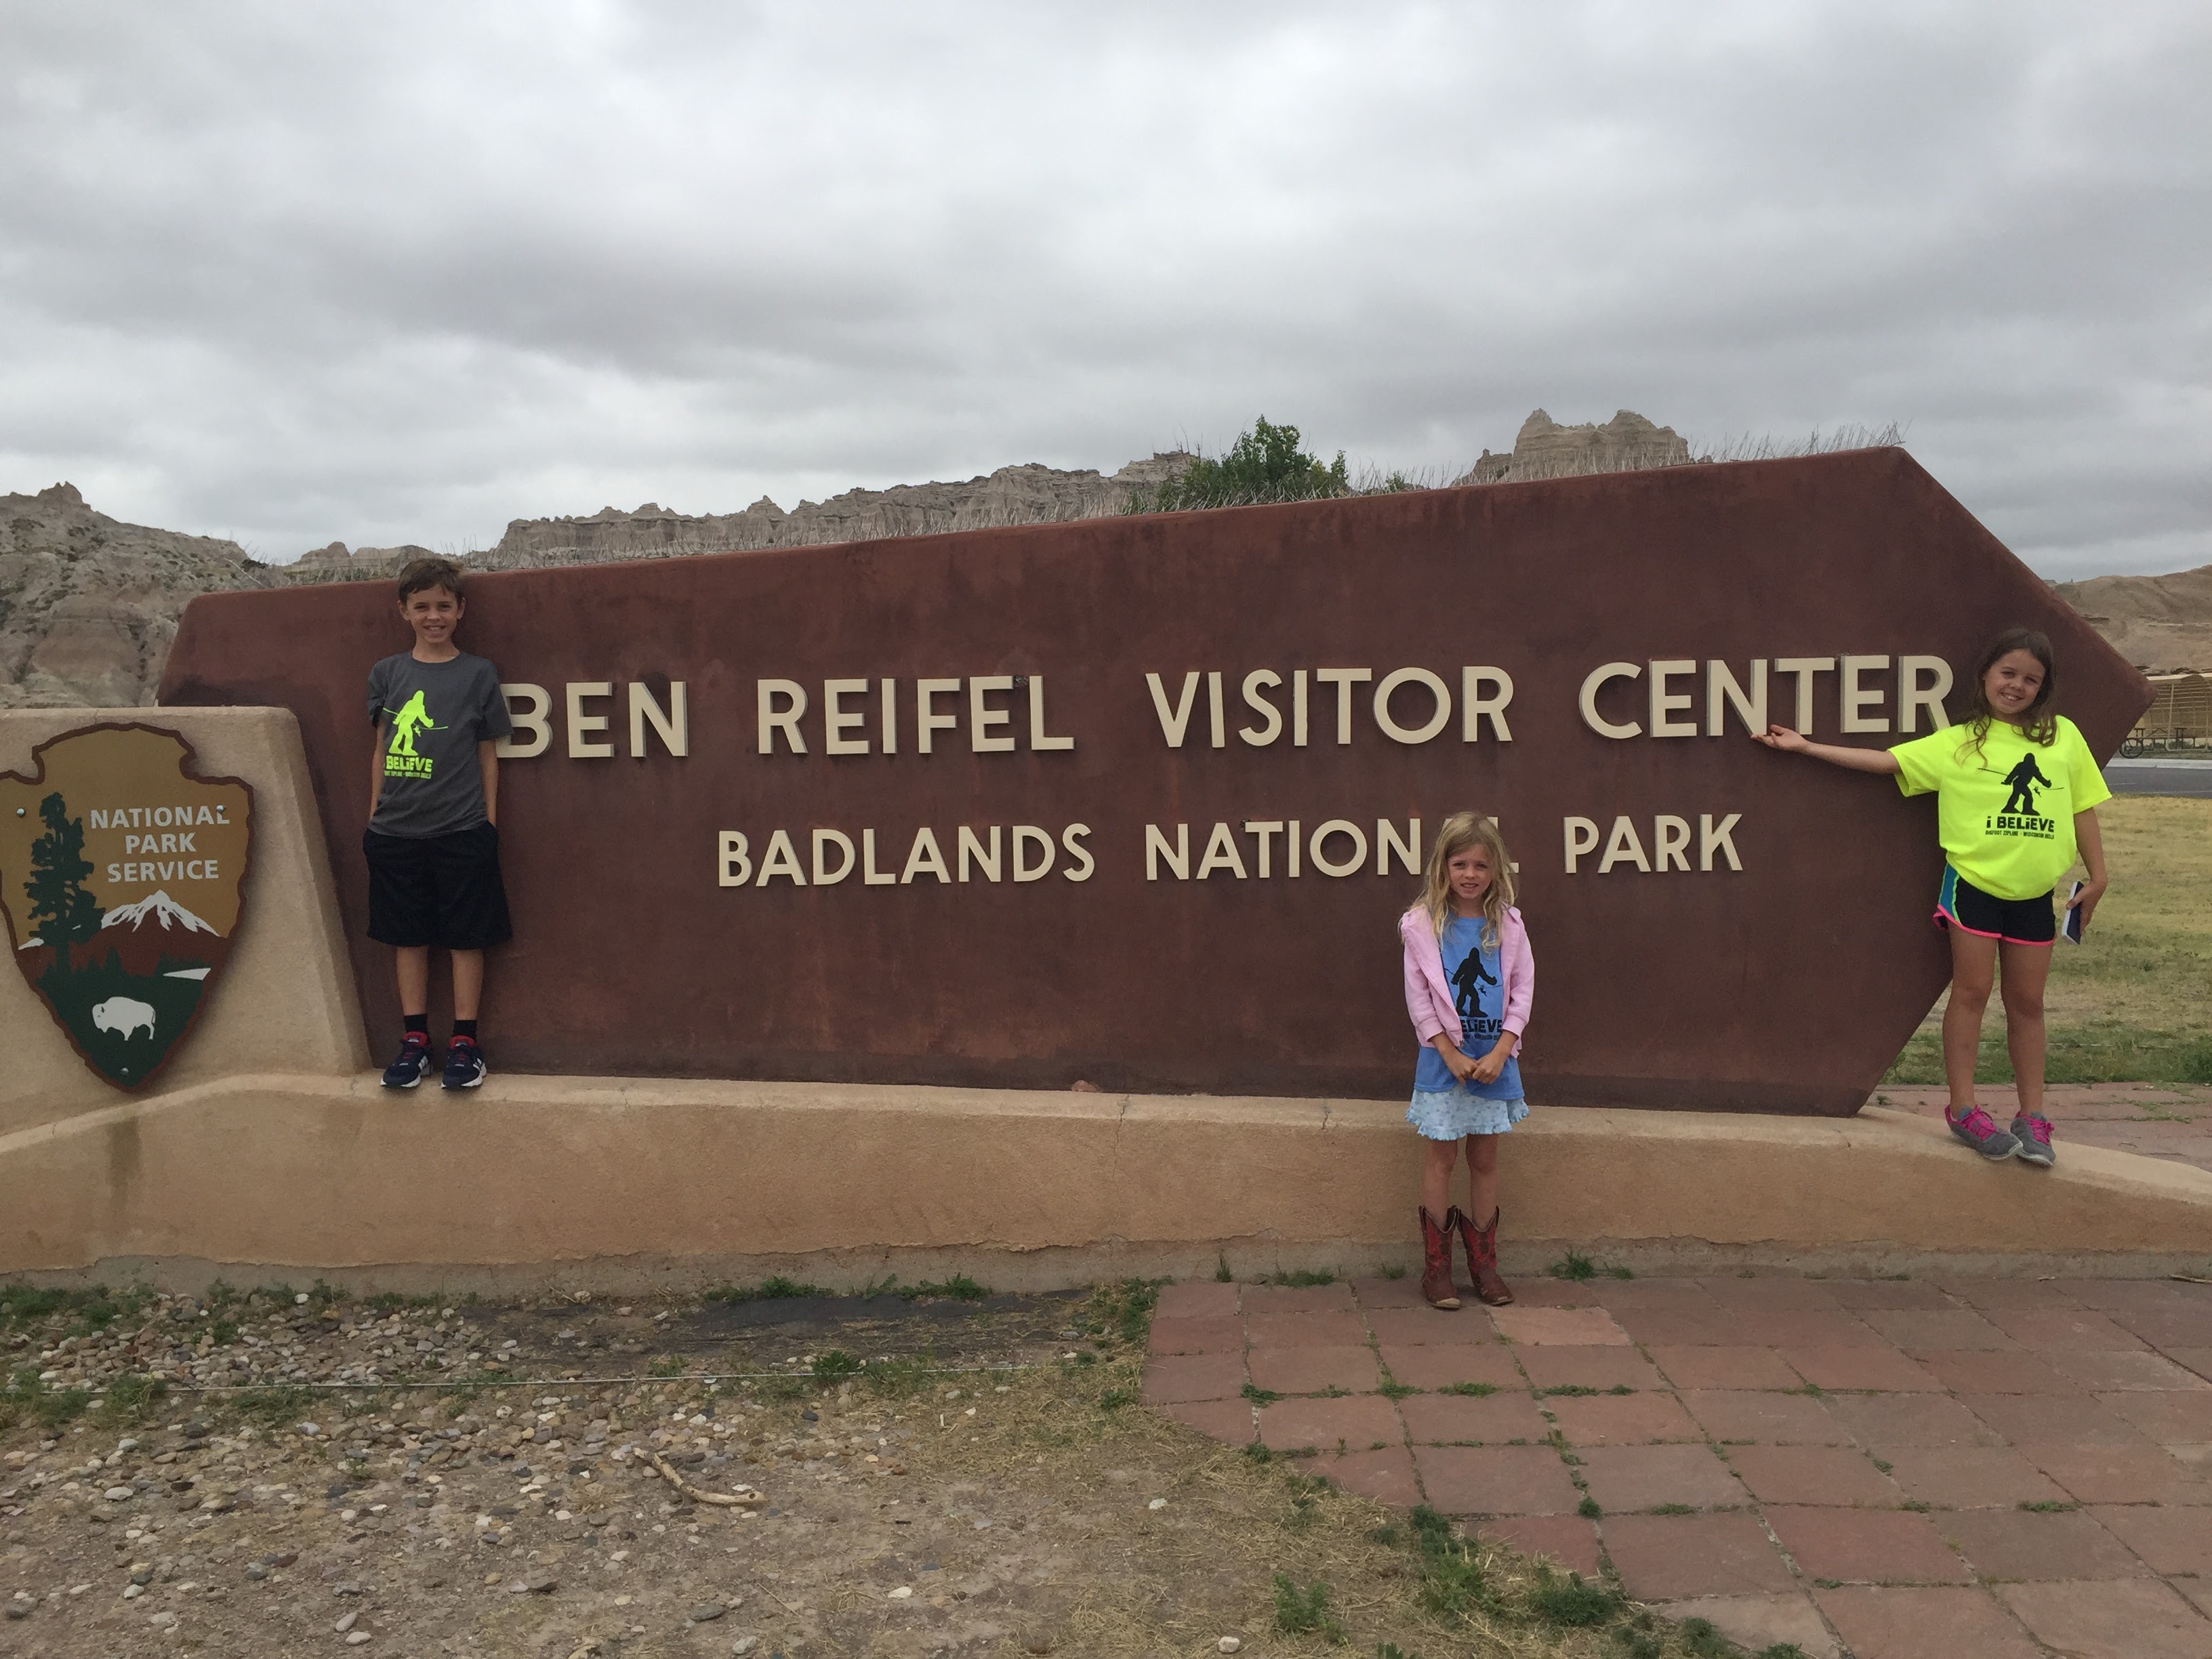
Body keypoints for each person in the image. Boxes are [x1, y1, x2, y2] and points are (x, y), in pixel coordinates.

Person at [1755, 627, 2110, 1167]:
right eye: (2007, 673)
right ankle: (1964, 1109)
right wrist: (1806, 747)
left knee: (2028, 1005)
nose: (2016, 686)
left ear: (2044, 687)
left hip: (2035, 893)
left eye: (2030, 679)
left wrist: (2099, 875)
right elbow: (1888, 763)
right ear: (1986, 676)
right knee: (1972, 993)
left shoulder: (2063, 737)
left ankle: (2033, 1118)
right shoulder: (1959, 741)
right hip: (1973, 885)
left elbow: (2083, 805)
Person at [364, 557, 514, 1091]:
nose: (434, 616)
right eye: (422, 606)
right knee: (408, 938)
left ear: (460, 611)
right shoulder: (388, 674)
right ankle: (414, 1042)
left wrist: (487, 825)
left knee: (465, 938)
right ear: (404, 611)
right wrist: (373, 817)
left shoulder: (478, 673)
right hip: (396, 831)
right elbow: (381, 749)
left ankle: (465, 1043)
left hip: (462, 830)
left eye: (443, 606)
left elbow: (488, 753)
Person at [1399, 811, 1533, 1309]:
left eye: (1481, 864)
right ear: (1444, 867)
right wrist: (1449, 1052)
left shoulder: (1510, 925)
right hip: (1443, 1062)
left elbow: (1521, 992)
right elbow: (1419, 999)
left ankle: (1485, 1267)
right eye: (1460, 863)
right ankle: (1437, 1271)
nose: (1470, 874)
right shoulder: (1422, 926)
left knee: (1484, 1159)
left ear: (1496, 869)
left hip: (1494, 1061)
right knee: (1442, 1158)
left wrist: (1502, 1049)